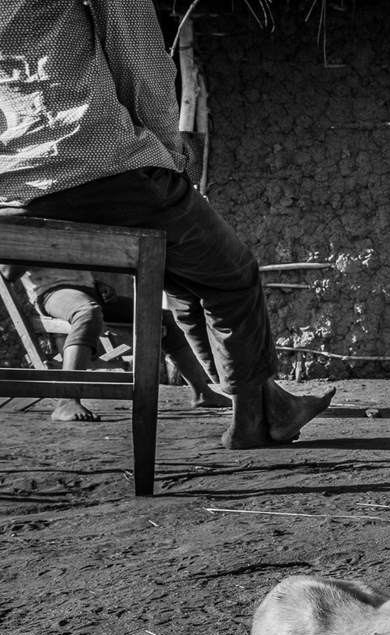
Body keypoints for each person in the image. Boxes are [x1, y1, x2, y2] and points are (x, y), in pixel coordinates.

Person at [0, 0, 332, 448]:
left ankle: (270, 401)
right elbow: (140, 62)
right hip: (101, 168)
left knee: (182, 279)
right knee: (233, 275)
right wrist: (172, 158)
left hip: (15, 193)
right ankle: (250, 422)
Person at [0, 265, 230, 420]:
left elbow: (76, 270)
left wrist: (98, 283)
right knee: (87, 313)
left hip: (91, 292)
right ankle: (66, 400)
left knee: (164, 319)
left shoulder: (66, 214)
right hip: (52, 293)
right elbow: (8, 272)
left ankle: (202, 393)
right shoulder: (20, 217)